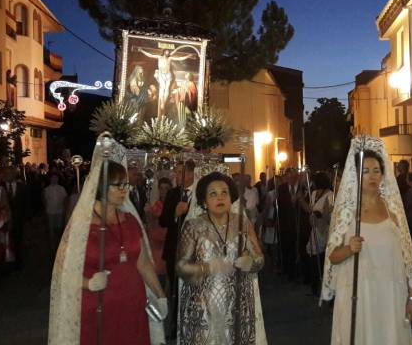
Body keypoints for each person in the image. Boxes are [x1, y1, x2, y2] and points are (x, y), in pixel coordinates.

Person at [49, 135, 167, 344]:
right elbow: (62, 272)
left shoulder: (130, 220)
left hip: (132, 304)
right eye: (117, 185)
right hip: (97, 306)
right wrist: (88, 283)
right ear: (102, 186)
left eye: (126, 185)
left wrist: (160, 295)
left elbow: (143, 263)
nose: (124, 190)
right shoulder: (82, 226)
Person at [322, 138, 412, 345]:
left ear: (383, 174)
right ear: (356, 175)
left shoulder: (393, 211)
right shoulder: (346, 213)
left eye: (376, 170)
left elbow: (407, 258)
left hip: (391, 296)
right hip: (357, 296)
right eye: (365, 171)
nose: (372, 176)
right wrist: (350, 248)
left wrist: (411, 297)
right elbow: (332, 256)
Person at [176, 171, 266, 344]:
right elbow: (181, 267)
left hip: (237, 305)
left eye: (224, 192)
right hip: (203, 305)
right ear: (203, 201)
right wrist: (207, 268)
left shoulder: (242, 223)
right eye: (213, 194)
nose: (220, 198)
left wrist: (251, 263)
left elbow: (259, 259)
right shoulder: (193, 227)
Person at [160, 160, 194, 340]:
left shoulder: (200, 193)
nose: (176, 176)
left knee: (193, 289)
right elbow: (162, 221)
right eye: (176, 172)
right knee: (175, 288)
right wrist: (175, 213)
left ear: (190, 173)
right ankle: (176, 325)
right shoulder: (173, 194)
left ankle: (192, 324)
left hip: (194, 251)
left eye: (180, 172)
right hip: (174, 249)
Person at [300, 172, 333, 295]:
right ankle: (315, 286)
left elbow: (329, 213)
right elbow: (310, 209)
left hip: (324, 228)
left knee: (323, 257)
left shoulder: (330, 194)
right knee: (313, 256)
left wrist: (320, 214)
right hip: (314, 228)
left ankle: (325, 286)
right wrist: (301, 200)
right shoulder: (313, 193)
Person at [1, 166, 29, 270]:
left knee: (17, 241)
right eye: (6, 173)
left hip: (18, 219)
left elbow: (26, 203)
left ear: (14, 174)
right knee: (5, 242)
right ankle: (5, 263)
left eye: (11, 173)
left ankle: (18, 262)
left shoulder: (22, 187)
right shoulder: (0, 187)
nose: (9, 175)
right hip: (3, 220)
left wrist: (26, 219)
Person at [43, 173, 68, 255]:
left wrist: (64, 210)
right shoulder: (47, 189)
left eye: (56, 178)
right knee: (51, 229)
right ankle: (52, 246)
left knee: (58, 228)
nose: (54, 179)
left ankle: (58, 244)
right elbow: (45, 201)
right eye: (53, 178)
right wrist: (46, 211)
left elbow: (65, 199)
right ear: (50, 179)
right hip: (50, 211)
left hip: (59, 211)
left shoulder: (61, 188)